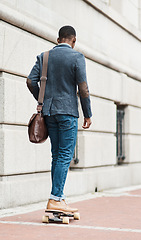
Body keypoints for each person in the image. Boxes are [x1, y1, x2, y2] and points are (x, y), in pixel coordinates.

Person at [26, 26, 92, 212]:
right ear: (74, 40)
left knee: (56, 155)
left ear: (58, 40)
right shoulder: (77, 57)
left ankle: (59, 196)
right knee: (65, 155)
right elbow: (83, 89)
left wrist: (43, 100)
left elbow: (31, 81)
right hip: (68, 112)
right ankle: (55, 198)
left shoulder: (44, 57)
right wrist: (87, 114)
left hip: (49, 113)